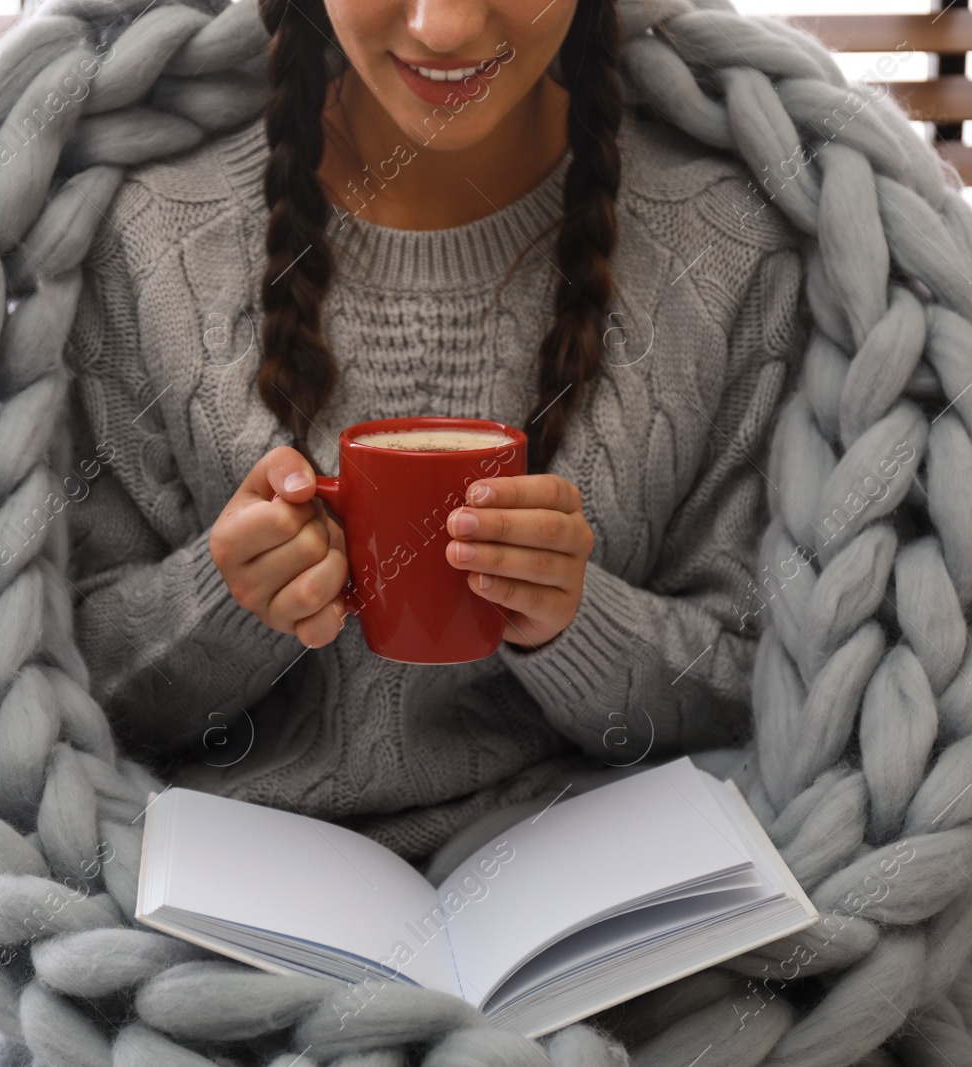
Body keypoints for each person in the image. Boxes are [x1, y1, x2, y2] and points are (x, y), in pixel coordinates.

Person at [62, 0, 810, 871]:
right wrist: (220, 602)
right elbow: (73, 691)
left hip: (586, 887)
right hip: (230, 893)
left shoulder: (731, 246)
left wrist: (577, 623)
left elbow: (760, 700)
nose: (444, 27)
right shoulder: (144, 238)